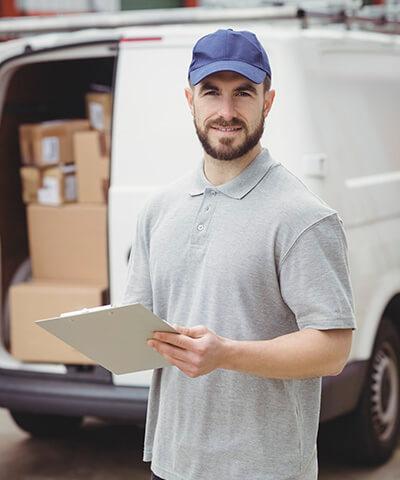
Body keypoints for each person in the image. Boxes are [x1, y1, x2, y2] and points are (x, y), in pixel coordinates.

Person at [122, 28, 357, 480]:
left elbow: (333, 349)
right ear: (189, 99)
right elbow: (142, 327)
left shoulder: (303, 216)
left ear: (267, 101)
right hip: (174, 463)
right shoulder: (158, 209)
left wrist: (226, 354)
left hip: (265, 469)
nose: (226, 112)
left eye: (243, 93)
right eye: (212, 92)